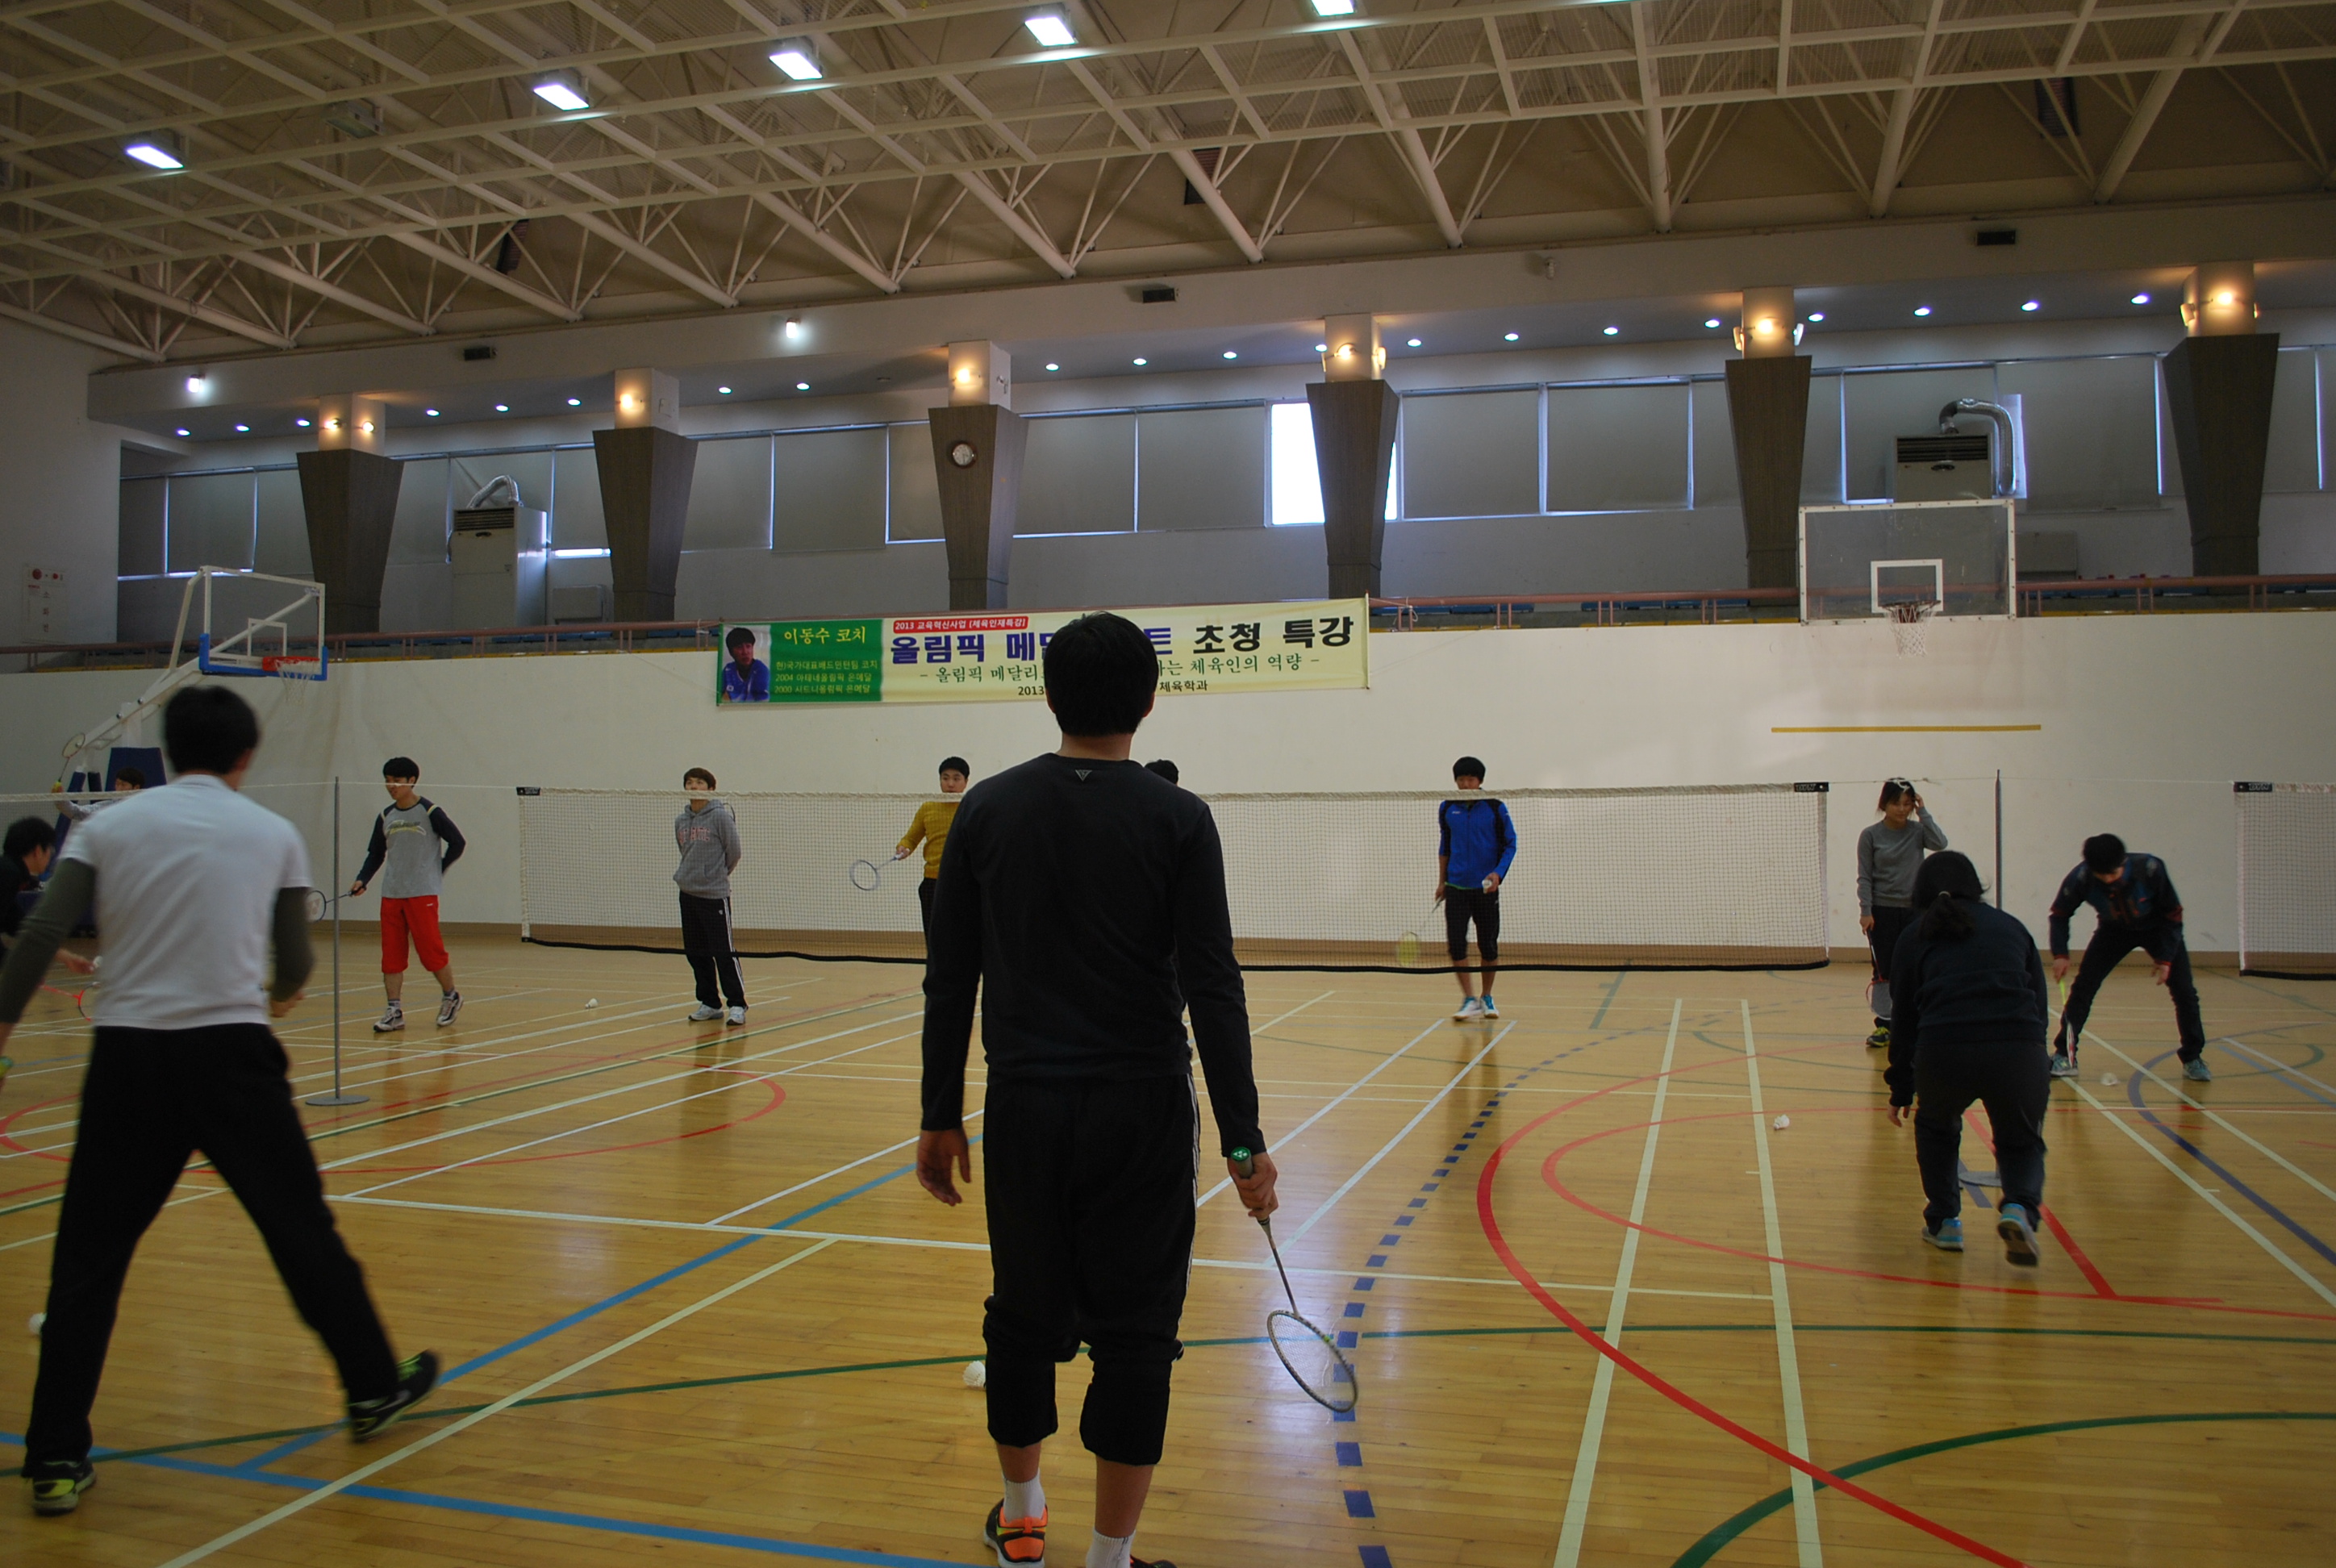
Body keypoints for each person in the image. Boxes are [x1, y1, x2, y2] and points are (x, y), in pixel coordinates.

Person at [0, 686, 437, 1518]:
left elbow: (43, 932)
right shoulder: (270, 833)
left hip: (129, 1059)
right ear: (245, 755)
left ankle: (54, 1455)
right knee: (301, 1232)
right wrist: (278, 995)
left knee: (88, 1258)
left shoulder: (107, 828)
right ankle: (373, 1386)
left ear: (169, 752)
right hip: (233, 1060)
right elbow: (294, 962)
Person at [917, 612, 1274, 1568]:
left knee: (1021, 1317)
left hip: (1024, 1109)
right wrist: (1243, 1140)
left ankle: (1022, 1522)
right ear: (1149, 703)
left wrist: (938, 1114)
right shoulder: (1178, 817)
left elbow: (950, 979)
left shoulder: (986, 809)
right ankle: (1108, 1561)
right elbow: (1214, 985)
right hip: (1142, 1112)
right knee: (1137, 1337)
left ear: (1048, 696)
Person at [1885, 852, 2050, 1266]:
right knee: (2021, 1142)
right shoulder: (2011, 926)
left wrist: (1901, 1088)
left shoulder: (1914, 935)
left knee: (1936, 1130)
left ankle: (1945, 1223)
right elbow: (2039, 1004)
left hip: (1944, 1049)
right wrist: (2032, 1060)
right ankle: (2019, 1208)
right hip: (2018, 1048)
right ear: (1976, 886)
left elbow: (1903, 1019)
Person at [2048, 833, 2209, 1082]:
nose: (2109, 880)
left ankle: (2193, 1057)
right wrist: (2060, 954)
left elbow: (2173, 914)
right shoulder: (2081, 878)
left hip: (2158, 929)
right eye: (2102, 876)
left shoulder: (2151, 869)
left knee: (2185, 993)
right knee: (2083, 989)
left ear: (2123, 862)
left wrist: (2166, 958)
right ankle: (2065, 1055)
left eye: (2113, 874)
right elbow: (2059, 914)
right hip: (2113, 932)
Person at [348, 757, 466, 1033]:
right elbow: (376, 854)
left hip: (422, 893)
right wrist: (363, 878)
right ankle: (394, 1011)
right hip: (392, 894)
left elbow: (458, 842)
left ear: (411, 781)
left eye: (397, 781)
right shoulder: (385, 816)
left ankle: (451, 996)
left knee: (430, 952)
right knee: (391, 956)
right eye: (387, 781)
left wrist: (438, 869)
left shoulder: (430, 811)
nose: (392, 786)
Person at [1858, 780, 1949, 1049]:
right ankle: (1885, 1024)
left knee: (1916, 965)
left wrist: (1924, 812)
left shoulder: (1918, 831)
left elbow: (1940, 843)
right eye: (1896, 803)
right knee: (1883, 970)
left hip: (1915, 910)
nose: (1902, 809)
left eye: (1907, 803)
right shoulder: (1870, 835)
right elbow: (1865, 876)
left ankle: (1917, 1021)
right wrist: (1866, 911)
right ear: (1884, 804)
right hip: (1881, 912)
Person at [1437, 757, 1516, 1021]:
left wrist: (1498, 874)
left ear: (1480, 781)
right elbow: (1445, 847)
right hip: (1456, 886)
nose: (1465, 784)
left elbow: (1510, 844)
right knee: (1456, 945)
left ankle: (1487, 996)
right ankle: (1469, 999)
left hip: (1485, 889)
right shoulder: (1447, 807)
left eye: (1470, 779)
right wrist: (1442, 881)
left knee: (1488, 946)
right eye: (1461, 780)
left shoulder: (1495, 807)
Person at [674, 768, 746, 1024]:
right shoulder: (681, 821)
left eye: (700, 783)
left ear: (711, 788)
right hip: (687, 893)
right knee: (696, 953)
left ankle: (737, 1004)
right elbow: (684, 851)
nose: (694, 787)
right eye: (689, 783)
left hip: (714, 896)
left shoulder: (720, 817)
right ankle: (710, 1003)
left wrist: (714, 875)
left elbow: (734, 852)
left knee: (723, 951)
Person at [895, 756, 970, 936]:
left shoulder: (971, 807)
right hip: (933, 882)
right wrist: (903, 847)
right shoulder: (928, 808)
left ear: (966, 782)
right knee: (934, 934)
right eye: (945, 778)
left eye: (956, 778)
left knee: (963, 935)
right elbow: (911, 839)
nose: (950, 784)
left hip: (964, 882)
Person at [722, 626, 770, 703]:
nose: (745, 652)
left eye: (748, 646)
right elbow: (721, 699)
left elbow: (763, 703)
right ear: (731, 652)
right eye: (739, 647)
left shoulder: (761, 670)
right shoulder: (728, 670)